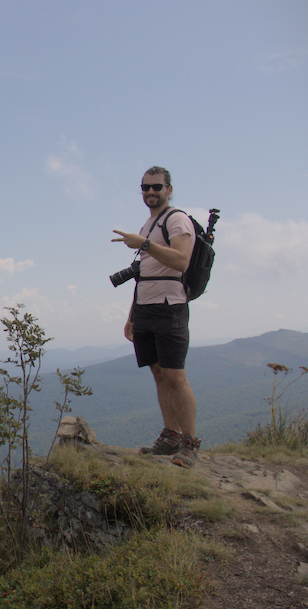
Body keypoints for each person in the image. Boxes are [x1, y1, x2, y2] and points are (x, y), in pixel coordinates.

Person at [111, 166, 201, 468]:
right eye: (145, 187)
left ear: (169, 189)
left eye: (157, 187)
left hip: (170, 306)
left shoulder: (177, 220)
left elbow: (181, 260)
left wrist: (145, 244)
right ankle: (171, 436)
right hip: (147, 307)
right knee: (159, 374)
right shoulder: (150, 223)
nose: (150, 192)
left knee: (175, 376)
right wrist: (133, 314)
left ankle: (189, 443)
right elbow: (145, 273)